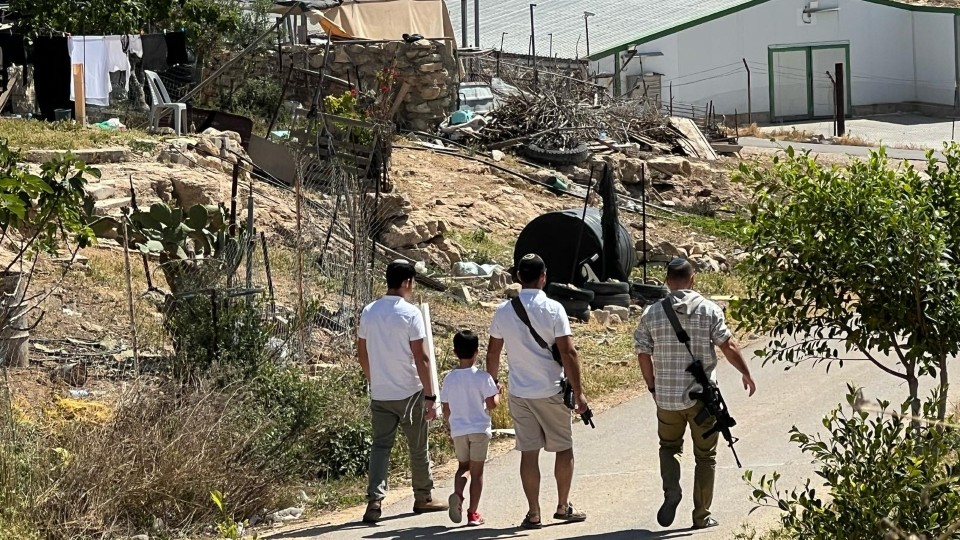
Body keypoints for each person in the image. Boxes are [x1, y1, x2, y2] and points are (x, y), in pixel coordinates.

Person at [634, 258, 757, 530]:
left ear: (667, 281)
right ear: (693, 279)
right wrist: (745, 372)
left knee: (669, 447)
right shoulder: (709, 310)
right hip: (703, 399)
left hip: (667, 398)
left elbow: (643, 353)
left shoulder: (651, 313)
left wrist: (652, 386)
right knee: (705, 456)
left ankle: (672, 491)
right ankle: (701, 516)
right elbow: (728, 345)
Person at [486, 253, 589, 530]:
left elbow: (493, 352)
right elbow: (568, 352)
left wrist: (492, 383)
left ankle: (533, 513)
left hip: (520, 393)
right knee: (563, 448)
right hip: (551, 390)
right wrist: (579, 392)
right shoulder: (554, 309)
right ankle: (563, 506)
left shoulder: (503, 311)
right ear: (544, 276)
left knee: (528, 453)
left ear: (519, 277)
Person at [357, 260, 447, 523]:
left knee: (380, 447)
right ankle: (423, 496)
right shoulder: (410, 313)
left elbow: (362, 352)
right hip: (410, 392)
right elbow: (421, 357)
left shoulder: (369, 311)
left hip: (381, 393)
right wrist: (430, 395)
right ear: (407, 282)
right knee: (418, 447)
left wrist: (374, 379)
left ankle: (374, 501)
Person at [440, 329, 500, 527]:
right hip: (479, 429)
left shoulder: (449, 378)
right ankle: (473, 513)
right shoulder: (483, 377)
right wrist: (497, 393)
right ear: (476, 352)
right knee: (477, 472)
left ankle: (458, 494)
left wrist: (450, 426)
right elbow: (492, 404)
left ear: (455, 352)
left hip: (459, 429)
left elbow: (446, 408)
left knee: (462, 467)